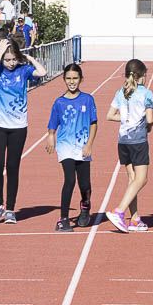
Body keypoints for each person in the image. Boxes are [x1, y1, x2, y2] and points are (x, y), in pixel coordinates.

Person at [0, 37, 47, 224]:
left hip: (18, 127)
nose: (10, 63)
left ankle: (10, 209)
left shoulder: (23, 70)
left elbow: (42, 72)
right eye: (7, 60)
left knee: (12, 167)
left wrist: (29, 58)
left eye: (13, 59)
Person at [45, 63, 97, 232]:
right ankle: (63, 219)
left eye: (75, 78)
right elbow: (53, 124)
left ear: (81, 79)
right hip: (65, 146)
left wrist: (89, 144)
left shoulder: (88, 99)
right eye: (68, 78)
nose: (72, 81)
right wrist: (51, 137)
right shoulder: (59, 102)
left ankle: (85, 206)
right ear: (64, 79)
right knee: (69, 180)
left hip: (82, 147)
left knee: (85, 184)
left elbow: (93, 123)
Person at [105, 59, 153, 233]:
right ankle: (119, 211)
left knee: (132, 180)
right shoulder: (146, 93)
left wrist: (127, 119)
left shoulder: (121, 92)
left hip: (123, 141)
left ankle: (135, 219)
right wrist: (146, 125)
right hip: (138, 141)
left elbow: (110, 115)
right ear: (142, 75)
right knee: (141, 179)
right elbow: (150, 119)